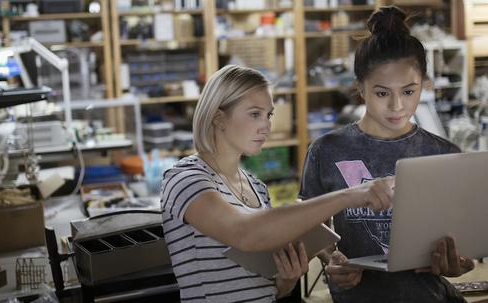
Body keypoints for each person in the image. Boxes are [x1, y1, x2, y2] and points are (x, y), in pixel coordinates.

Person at [160, 64, 394, 302]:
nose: (267, 126)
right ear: (219, 117)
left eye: (268, 114)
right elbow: (245, 233)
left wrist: (288, 277)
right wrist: (349, 196)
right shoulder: (186, 179)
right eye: (254, 114)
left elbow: (271, 289)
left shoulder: (257, 187)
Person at [298, 6, 476, 303]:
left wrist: (459, 263)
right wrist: (332, 258)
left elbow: (462, 247)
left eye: (409, 91)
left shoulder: (443, 154)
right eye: (382, 93)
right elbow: (306, 225)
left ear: (424, 85)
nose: (397, 106)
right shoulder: (326, 150)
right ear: (361, 88)